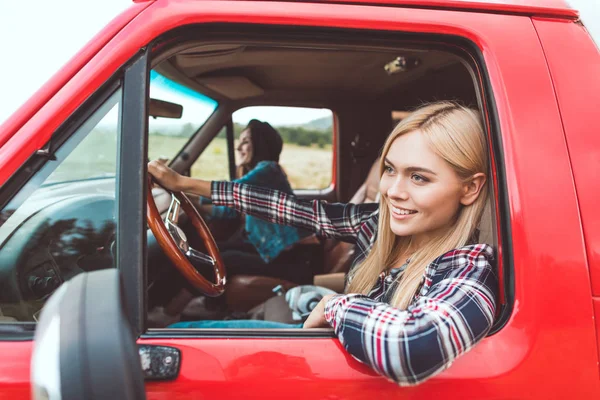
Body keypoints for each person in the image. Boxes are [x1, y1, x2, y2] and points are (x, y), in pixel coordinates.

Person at [148, 101, 498, 386]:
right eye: (390, 170)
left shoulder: (468, 265)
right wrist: (186, 184)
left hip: (339, 373)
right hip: (327, 352)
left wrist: (336, 306)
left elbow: (415, 347)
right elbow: (289, 209)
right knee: (177, 335)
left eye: (418, 177)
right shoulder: (376, 224)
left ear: (470, 188)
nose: (393, 191)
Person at [198, 119, 313, 284]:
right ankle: (202, 305)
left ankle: (174, 309)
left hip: (293, 257)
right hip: (278, 251)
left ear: (260, 144)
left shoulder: (268, 170)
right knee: (213, 250)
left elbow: (229, 192)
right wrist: (195, 203)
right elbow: (230, 210)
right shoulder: (262, 174)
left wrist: (184, 187)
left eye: (245, 142)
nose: (238, 148)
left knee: (220, 258)